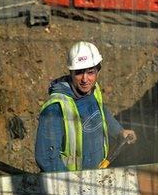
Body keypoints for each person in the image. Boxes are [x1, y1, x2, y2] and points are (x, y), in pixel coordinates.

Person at [35, 41, 137, 172]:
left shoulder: (94, 91)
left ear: (98, 72)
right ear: (70, 72)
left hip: (99, 174)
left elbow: (101, 113)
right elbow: (46, 159)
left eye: (90, 72)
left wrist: (119, 131)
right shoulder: (56, 108)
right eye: (79, 73)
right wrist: (71, 184)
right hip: (72, 183)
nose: (85, 79)